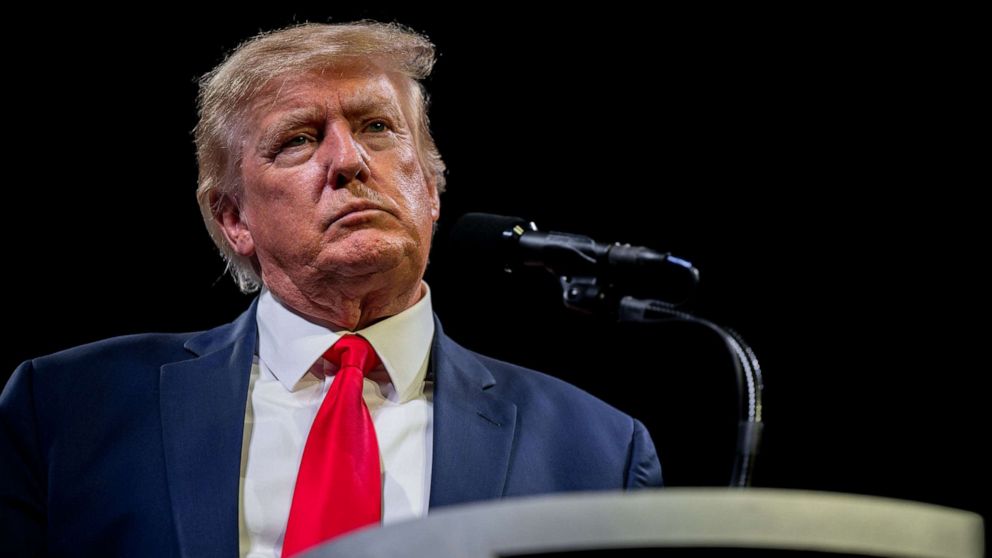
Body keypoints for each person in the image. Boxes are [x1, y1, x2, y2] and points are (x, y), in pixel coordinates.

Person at [0, 21, 661, 557]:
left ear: (429, 190)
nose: (348, 160)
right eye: (299, 139)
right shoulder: (68, 411)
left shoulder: (598, 450)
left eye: (377, 127)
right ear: (234, 220)